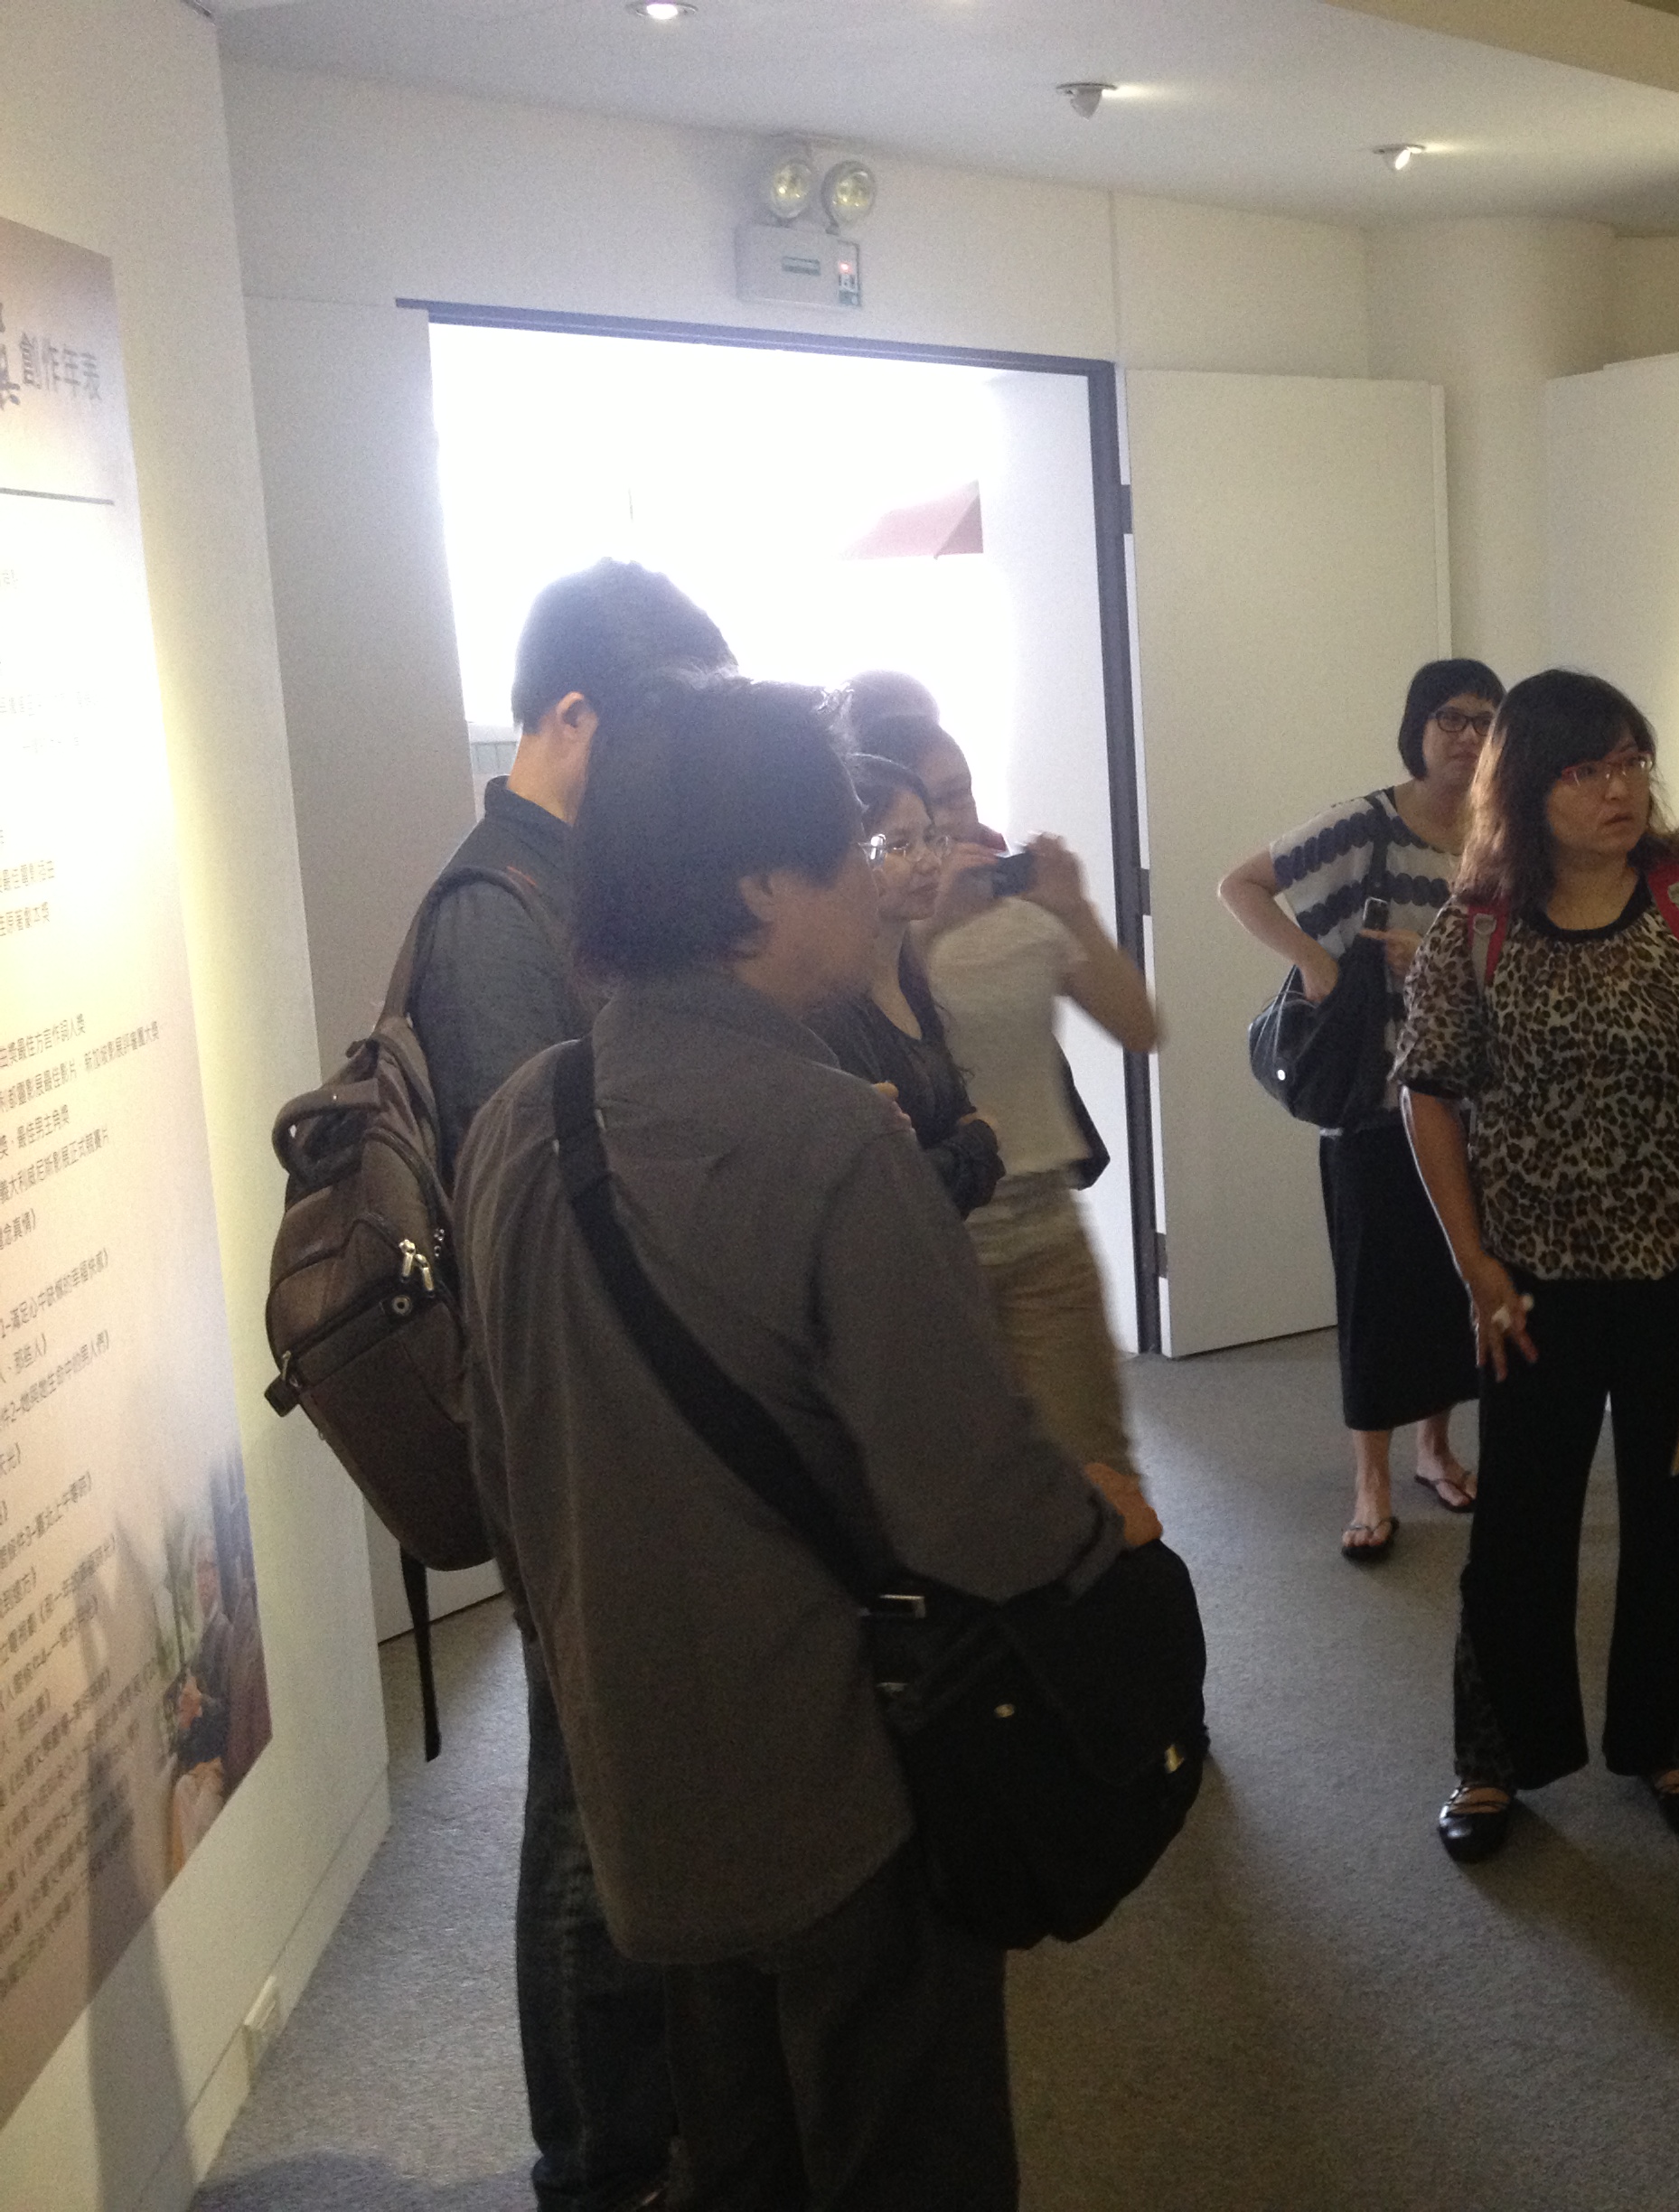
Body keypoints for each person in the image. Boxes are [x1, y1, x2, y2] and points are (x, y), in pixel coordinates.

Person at [457, 670, 1158, 2207]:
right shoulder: (835, 1136)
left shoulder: (522, 1117)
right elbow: (972, 1505)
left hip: (640, 1778)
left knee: (735, 2150)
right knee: (902, 2148)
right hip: (842, 1779)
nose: (875, 877)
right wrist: (1105, 1516)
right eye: (848, 847)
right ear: (760, 888)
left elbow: (498, 1456)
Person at [408, 558, 732, 2212]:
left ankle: (650, 2121)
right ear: (580, 717)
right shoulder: (492, 913)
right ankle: (593, 2160)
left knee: (631, 1777)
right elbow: (530, 1195)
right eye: (668, 728)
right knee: (580, 1803)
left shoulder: (573, 889)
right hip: (567, 1418)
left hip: (626, 1406)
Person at [1395, 670, 1679, 1863]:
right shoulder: (1477, 925)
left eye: (1630, 762)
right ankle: (1496, 1759)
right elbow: (1428, 1096)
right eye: (1586, 769)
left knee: (1677, 1522)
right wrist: (1474, 1264)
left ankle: (1670, 1741)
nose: (1618, 789)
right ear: (1528, 784)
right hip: (1533, 1286)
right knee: (1518, 1528)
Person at [1218, 661, 1493, 1561]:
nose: (1467, 736)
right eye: (1450, 717)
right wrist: (1317, 962)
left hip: (1468, 1103)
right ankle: (1370, 1480)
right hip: (1373, 1103)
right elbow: (1240, 884)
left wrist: (1441, 957)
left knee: (1453, 1288)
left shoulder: (1499, 839)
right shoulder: (1363, 824)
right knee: (1374, 1296)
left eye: (1485, 721)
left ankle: (1433, 1448)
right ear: (1418, 727)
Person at [868, 709, 1160, 1479]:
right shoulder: (859, 936)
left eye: (962, 793)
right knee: (960, 1485)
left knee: (1097, 1474)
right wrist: (932, 927)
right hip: (927, 1249)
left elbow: (1139, 1026)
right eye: (930, 812)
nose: (957, 821)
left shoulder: (1020, 911)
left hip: (1042, 1231)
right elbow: (877, 1036)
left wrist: (1075, 910)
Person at [804, 755, 1004, 1216]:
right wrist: (979, 1144)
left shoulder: (910, 978)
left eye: (930, 839)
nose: (929, 861)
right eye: (899, 845)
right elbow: (884, 1188)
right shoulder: (832, 1005)